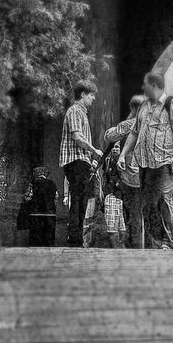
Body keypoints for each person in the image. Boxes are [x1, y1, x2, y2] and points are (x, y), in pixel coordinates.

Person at [119, 72, 173, 250]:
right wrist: (123, 154)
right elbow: (134, 132)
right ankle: (154, 240)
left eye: (145, 84)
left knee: (165, 202)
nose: (143, 88)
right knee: (148, 204)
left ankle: (167, 241)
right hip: (144, 163)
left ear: (154, 86)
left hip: (164, 162)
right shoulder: (143, 107)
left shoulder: (170, 104)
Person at [59, 80, 102, 248]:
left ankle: (76, 237)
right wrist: (94, 150)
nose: (93, 99)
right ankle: (75, 238)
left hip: (81, 160)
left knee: (82, 199)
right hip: (75, 160)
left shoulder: (82, 113)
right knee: (77, 199)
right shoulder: (75, 111)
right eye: (91, 95)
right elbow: (77, 137)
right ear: (83, 94)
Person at [104, 95, 145, 248]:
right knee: (143, 214)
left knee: (133, 215)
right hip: (148, 176)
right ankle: (142, 246)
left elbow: (108, 136)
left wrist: (130, 117)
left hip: (131, 179)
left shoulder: (129, 124)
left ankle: (135, 246)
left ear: (133, 109)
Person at [17, 167, 58, 247]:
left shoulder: (33, 183)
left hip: (35, 214)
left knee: (35, 240)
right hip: (50, 215)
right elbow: (55, 198)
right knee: (49, 239)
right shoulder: (52, 184)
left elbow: (28, 197)